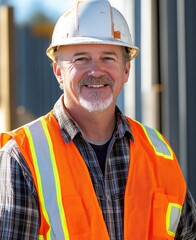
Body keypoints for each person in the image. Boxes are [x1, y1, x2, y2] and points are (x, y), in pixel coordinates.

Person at [0, 0, 196, 239]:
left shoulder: (159, 153)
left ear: (126, 70)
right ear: (58, 71)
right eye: (81, 58)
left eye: (108, 58)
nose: (96, 71)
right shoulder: (22, 156)